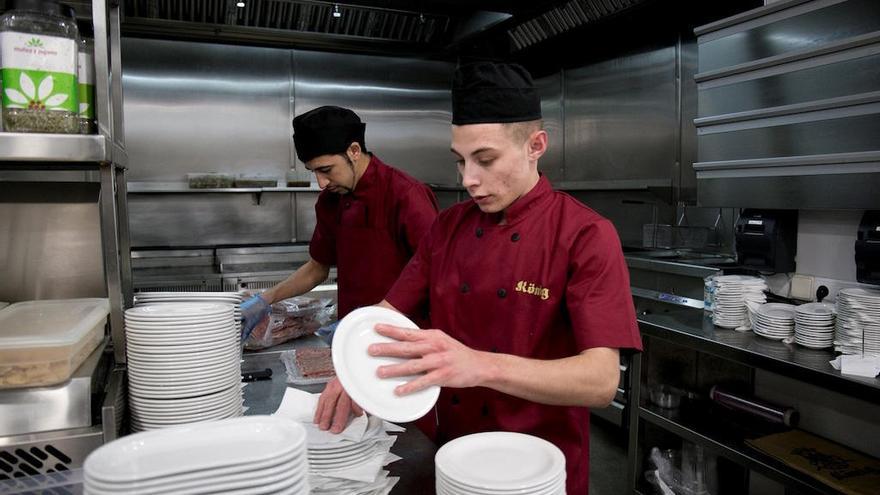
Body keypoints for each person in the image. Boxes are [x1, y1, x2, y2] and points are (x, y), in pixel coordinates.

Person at [314, 63, 643, 494]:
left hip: (538, 469)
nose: (469, 180)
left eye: (485, 160)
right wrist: (354, 367)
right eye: (461, 161)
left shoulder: (585, 234)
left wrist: (479, 364)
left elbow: (601, 381)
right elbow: (387, 314)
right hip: (454, 457)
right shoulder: (446, 228)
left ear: (536, 145)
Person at [240, 106, 439, 338]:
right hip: (351, 335)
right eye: (313, 172)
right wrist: (265, 299)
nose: (322, 183)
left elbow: (436, 272)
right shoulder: (330, 201)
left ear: (354, 150)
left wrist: (372, 319)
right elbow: (317, 269)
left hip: (406, 334)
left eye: (326, 170)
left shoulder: (406, 194)